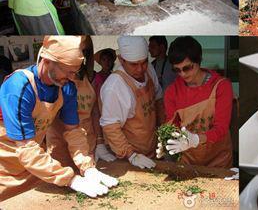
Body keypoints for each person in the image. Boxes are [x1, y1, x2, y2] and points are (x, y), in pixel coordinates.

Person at [0, 36, 117, 201]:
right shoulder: (19, 87)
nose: (72, 77)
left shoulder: (66, 87)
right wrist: (70, 179)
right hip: (4, 170)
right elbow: (26, 148)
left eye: (74, 72)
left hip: (34, 169)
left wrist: (87, 167)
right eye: (68, 71)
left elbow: (74, 131)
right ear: (47, 61)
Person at [157, 36, 233, 168]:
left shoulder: (221, 86)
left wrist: (196, 139)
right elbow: (172, 125)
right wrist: (167, 142)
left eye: (187, 68)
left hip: (218, 159)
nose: (182, 74)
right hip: (188, 160)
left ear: (199, 61)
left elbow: (221, 128)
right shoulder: (171, 92)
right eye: (177, 70)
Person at [46, 37, 116, 172]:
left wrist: (100, 141)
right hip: (61, 143)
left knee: (88, 174)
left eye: (82, 52)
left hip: (86, 140)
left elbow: (95, 112)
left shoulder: (91, 77)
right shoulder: (55, 78)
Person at [100, 36, 164, 170]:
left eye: (144, 62)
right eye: (134, 64)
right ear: (121, 60)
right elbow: (111, 127)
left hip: (152, 148)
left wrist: (163, 132)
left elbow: (158, 99)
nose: (140, 69)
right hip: (128, 158)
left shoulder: (149, 69)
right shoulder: (114, 87)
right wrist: (131, 155)